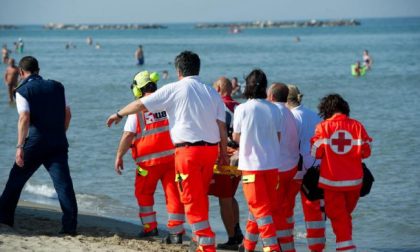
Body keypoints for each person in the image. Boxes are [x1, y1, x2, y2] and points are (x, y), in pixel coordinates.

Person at [106, 51, 228, 252]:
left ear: (178, 71)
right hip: (209, 151)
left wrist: (118, 113)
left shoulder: (173, 89)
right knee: (198, 195)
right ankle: (195, 238)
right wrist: (223, 153)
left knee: (190, 198)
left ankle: (206, 245)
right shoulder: (211, 92)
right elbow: (221, 126)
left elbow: (138, 106)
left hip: (186, 153)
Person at [0, 56, 78, 235]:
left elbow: (24, 118)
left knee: (16, 180)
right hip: (58, 141)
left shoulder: (22, 90)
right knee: (64, 185)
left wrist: (20, 147)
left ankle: (4, 218)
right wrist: (61, 133)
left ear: (21, 72)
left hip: (35, 143)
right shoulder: (57, 86)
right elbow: (68, 114)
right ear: (38, 70)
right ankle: (70, 227)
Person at [114, 70, 185, 243]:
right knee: (174, 195)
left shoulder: (137, 109)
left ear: (137, 91)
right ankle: (176, 233)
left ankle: (150, 228)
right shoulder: (167, 104)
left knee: (144, 194)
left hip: (147, 165)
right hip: (171, 160)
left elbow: (128, 135)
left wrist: (119, 156)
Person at [311, 94, 372, 251]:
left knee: (338, 217)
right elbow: (366, 152)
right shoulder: (357, 126)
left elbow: (315, 152)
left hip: (332, 183)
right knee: (344, 216)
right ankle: (347, 244)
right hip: (355, 183)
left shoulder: (323, 127)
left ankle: (346, 248)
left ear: (326, 110)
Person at [233, 69, 282, 252]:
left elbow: (236, 137)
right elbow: (278, 137)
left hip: (251, 169)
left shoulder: (242, 109)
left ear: (247, 86)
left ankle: (271, 247)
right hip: (272, 166)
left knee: (260, 209)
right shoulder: (275, 109)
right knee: (260, 208)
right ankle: (248, 246)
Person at [286, 85, 326, 252]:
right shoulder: (314, 115)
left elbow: (287, 145)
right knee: (315, 214)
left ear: (286, 100)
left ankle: (287, 247)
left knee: (285, 210)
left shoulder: (291, 118)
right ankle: (317, 248)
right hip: (316, 170)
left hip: (295, 171)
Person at [210, 77, 243, 250]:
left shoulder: (216, 106)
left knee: (224, 197)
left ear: (219, 88)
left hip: (224, 155)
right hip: (239, 157)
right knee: (229, 194)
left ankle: (232, 238)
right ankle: (236, 229)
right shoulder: (240, 107)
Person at [267, 83, 300, 252]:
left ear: (271, 96)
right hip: (291, 167)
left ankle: (284, 247)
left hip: (279, 168)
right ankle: (284, 243)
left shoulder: (275, 112)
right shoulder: (289, 112)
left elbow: (272, 141)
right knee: (284, 209)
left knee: (276, 211)